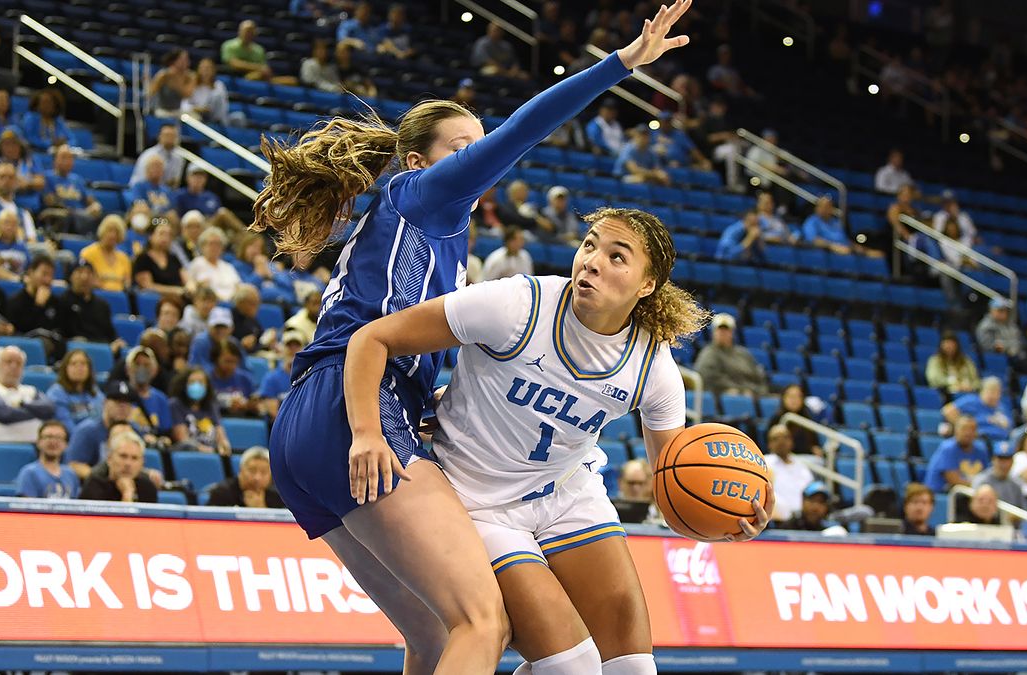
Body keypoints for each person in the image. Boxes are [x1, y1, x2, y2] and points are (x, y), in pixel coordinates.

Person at [255, 8, 689, 670]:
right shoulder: (423, 197)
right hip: (356, 402)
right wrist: (620, 64)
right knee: (482, 621)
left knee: (434, 632)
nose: (478, 153)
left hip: (307, 423)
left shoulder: (443, 237)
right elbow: (525, 130)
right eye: (464, 145)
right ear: (417, 159)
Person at [317, 201, 769, 674]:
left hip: (567, 495)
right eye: (589, 245)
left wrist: (729, 518)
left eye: (618, 256)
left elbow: (671, 483)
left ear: (647, 285)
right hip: (481, 504)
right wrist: (367, 431)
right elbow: (372, 338)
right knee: (572, 668)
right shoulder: (516, 305)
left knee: (634, 669)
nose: (592, 260)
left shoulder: (653, 367)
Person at [0, 346, 55, 443]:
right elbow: (5, 414)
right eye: (8, 362)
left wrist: (23, 404)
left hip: (34, 446)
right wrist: (37, 412)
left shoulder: (31, 390)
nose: (14, 366)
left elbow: (49, 409)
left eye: (19, 363)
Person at [693, 312, 767, 396]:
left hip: (752, 395)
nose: (723, 333)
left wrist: (757, 391)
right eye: (720, 330)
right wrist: (740, 391)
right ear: (714, 332)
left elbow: (759, 377)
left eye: (726, 330)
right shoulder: (708, 353)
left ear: (732, 333)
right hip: (728, 397)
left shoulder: (744, 353)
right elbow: (709, 377)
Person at [78, 431, 158, 503]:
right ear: (109, 458)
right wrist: (127, 494)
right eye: (123, 456)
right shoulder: (94, 484)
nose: (128, 463)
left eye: (134, 458)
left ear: (142, 463)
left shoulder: (147, 487)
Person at [168, 366, 231, 456]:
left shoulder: (211, 405)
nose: (196, 386)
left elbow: (220, 433)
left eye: (201, 382)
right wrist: (207, 450)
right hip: (188, 455)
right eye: (192, 382)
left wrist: (224, 445)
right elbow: (183, 439)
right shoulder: (175, 404)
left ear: (207, 386)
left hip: (212, 456)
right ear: (184, 385)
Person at [58, 262, 122, 348]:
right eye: (80, 272)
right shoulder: (63, 301)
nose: (84, 277)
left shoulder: (102, 305)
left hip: (102, 348)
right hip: (76, 350)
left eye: (89, 273)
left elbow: (111, 334)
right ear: (71, 277)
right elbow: (61, 334)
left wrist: (116, 343)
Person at [15, 420, 80, 499]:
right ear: (38, 442)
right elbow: (25, 507)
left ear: (66, 444)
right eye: (48, 437)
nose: (53, 442)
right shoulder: (29, 473)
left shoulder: (71, 474)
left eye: (58, 438)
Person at [45, 349, 104, 434]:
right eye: (73, 364)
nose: (79, 367)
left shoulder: (95, 392)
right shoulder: (56, 393)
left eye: (83, 364)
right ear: (65, 368)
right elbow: (66, 426)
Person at [220, 20, 298, 85]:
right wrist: (258, 67)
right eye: (246, 31)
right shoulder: (229, 45)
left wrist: (262, 71)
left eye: (251, 32)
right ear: (239, 31)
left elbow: (264, 69)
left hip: (256, 77)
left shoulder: (259, 49)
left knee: (292, 81)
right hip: (235, 77)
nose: (248, 34)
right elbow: (234, 64)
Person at [924, 416, 989, 492]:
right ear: (956, 431)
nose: (968, 433)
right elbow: (954, 481)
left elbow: (986, 476)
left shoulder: (980, 450)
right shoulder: (948, 448)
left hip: (970, 494)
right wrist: (979, 486)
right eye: (964, 429)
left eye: (972, 429)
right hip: (942, 494)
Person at [763, 423, 813, 521]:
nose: (781, 441)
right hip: (776, 519)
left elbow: (810, 493)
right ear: (769, 444)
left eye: (785, 437)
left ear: (792, 441)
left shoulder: (802, 466)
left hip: (802, 519)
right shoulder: (764, 462)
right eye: (776, 438)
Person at [206, 446, 285, 508]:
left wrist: (261, 508)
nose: (257, 477)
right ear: (241, 470)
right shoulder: (222, 493)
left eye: (264, 472)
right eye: (252, 471)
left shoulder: (279, 497)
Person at [942, 376, 1011, 444]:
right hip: (977, 441)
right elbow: (947, 411)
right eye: (991, 391)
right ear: (982, 391)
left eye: (997, 392)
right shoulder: (971, 401)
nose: (994, 395)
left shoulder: (1002, 408)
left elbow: (1010, 427)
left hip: (1000, 443)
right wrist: (964, 427)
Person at [132, 221, 189, 296]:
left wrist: (190, 286)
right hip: (155, 299)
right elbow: (147, 286)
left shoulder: (173, 257)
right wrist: (175, 291)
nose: (166, 238)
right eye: (162, 234)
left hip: (178, 297)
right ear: (151, 236)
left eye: (169, 235)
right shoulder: (143, 258)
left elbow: (186, 278)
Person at [768, 383, 824, 457]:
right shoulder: (776, 419)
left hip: (806, 459)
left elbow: (814, 445)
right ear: (783, 398)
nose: (794, 400)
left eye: (798, 396)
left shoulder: (808, 419)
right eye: (791, 396)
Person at [80, 215, 133, 292]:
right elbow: (85, 278)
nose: (113, 235)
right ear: (102, 231)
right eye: (109, 230)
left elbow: (127, 283)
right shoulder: (88, 253)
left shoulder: (124, 258)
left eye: (117, 232)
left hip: (118, 296)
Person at [186, 227, 241, 302]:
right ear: (203, 246)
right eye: (211, 243)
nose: (214, 247)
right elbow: (190, 284)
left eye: (218, 244)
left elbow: (238, 286)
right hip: (211, 304)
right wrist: (198, 285)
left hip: (233, 303)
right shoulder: (197, 263)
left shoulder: (228, 266)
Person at [971, 441, 1023, 509]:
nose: (1004, 464)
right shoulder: (981, 481)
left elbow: (1023, 510)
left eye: (1007, 459)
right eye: (1001, 459)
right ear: (993, 460)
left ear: (1012, 461)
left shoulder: (1016, 483)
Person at [182, 58, 231, 125]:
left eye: (208, 68)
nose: (205, 71)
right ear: (198, 69)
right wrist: (196, 108)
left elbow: (224, 106)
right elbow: (183, 104)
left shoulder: (219, 85)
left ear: (213, 70)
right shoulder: (193, 84)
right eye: (202, 68)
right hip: (197, 114)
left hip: (215, 116)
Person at [148, 49, 195, 117]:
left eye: (187, 59)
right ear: (174, 61)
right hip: (162, 110)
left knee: (194, 119)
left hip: (178, 110)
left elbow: (187, 94)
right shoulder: (163, 75)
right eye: (183, 59)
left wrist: (175, 84)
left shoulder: (189, 77)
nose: (187, 62)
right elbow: (151, 92)